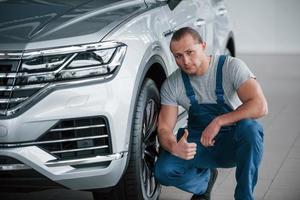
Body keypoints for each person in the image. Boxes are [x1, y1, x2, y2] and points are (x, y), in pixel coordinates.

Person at [154, 27, 268, 200]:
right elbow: (164, 129)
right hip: (198, 143)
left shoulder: (230, 67)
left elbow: (260, 106)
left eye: (190, 52)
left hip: (233, 141)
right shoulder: (173, 84)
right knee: (163, 171)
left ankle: (245, 196)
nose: (185, 61)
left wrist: (219, 121)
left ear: (203, 46)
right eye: (178, 56)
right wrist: (174, 146)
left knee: (250, 129)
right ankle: (204, 183)